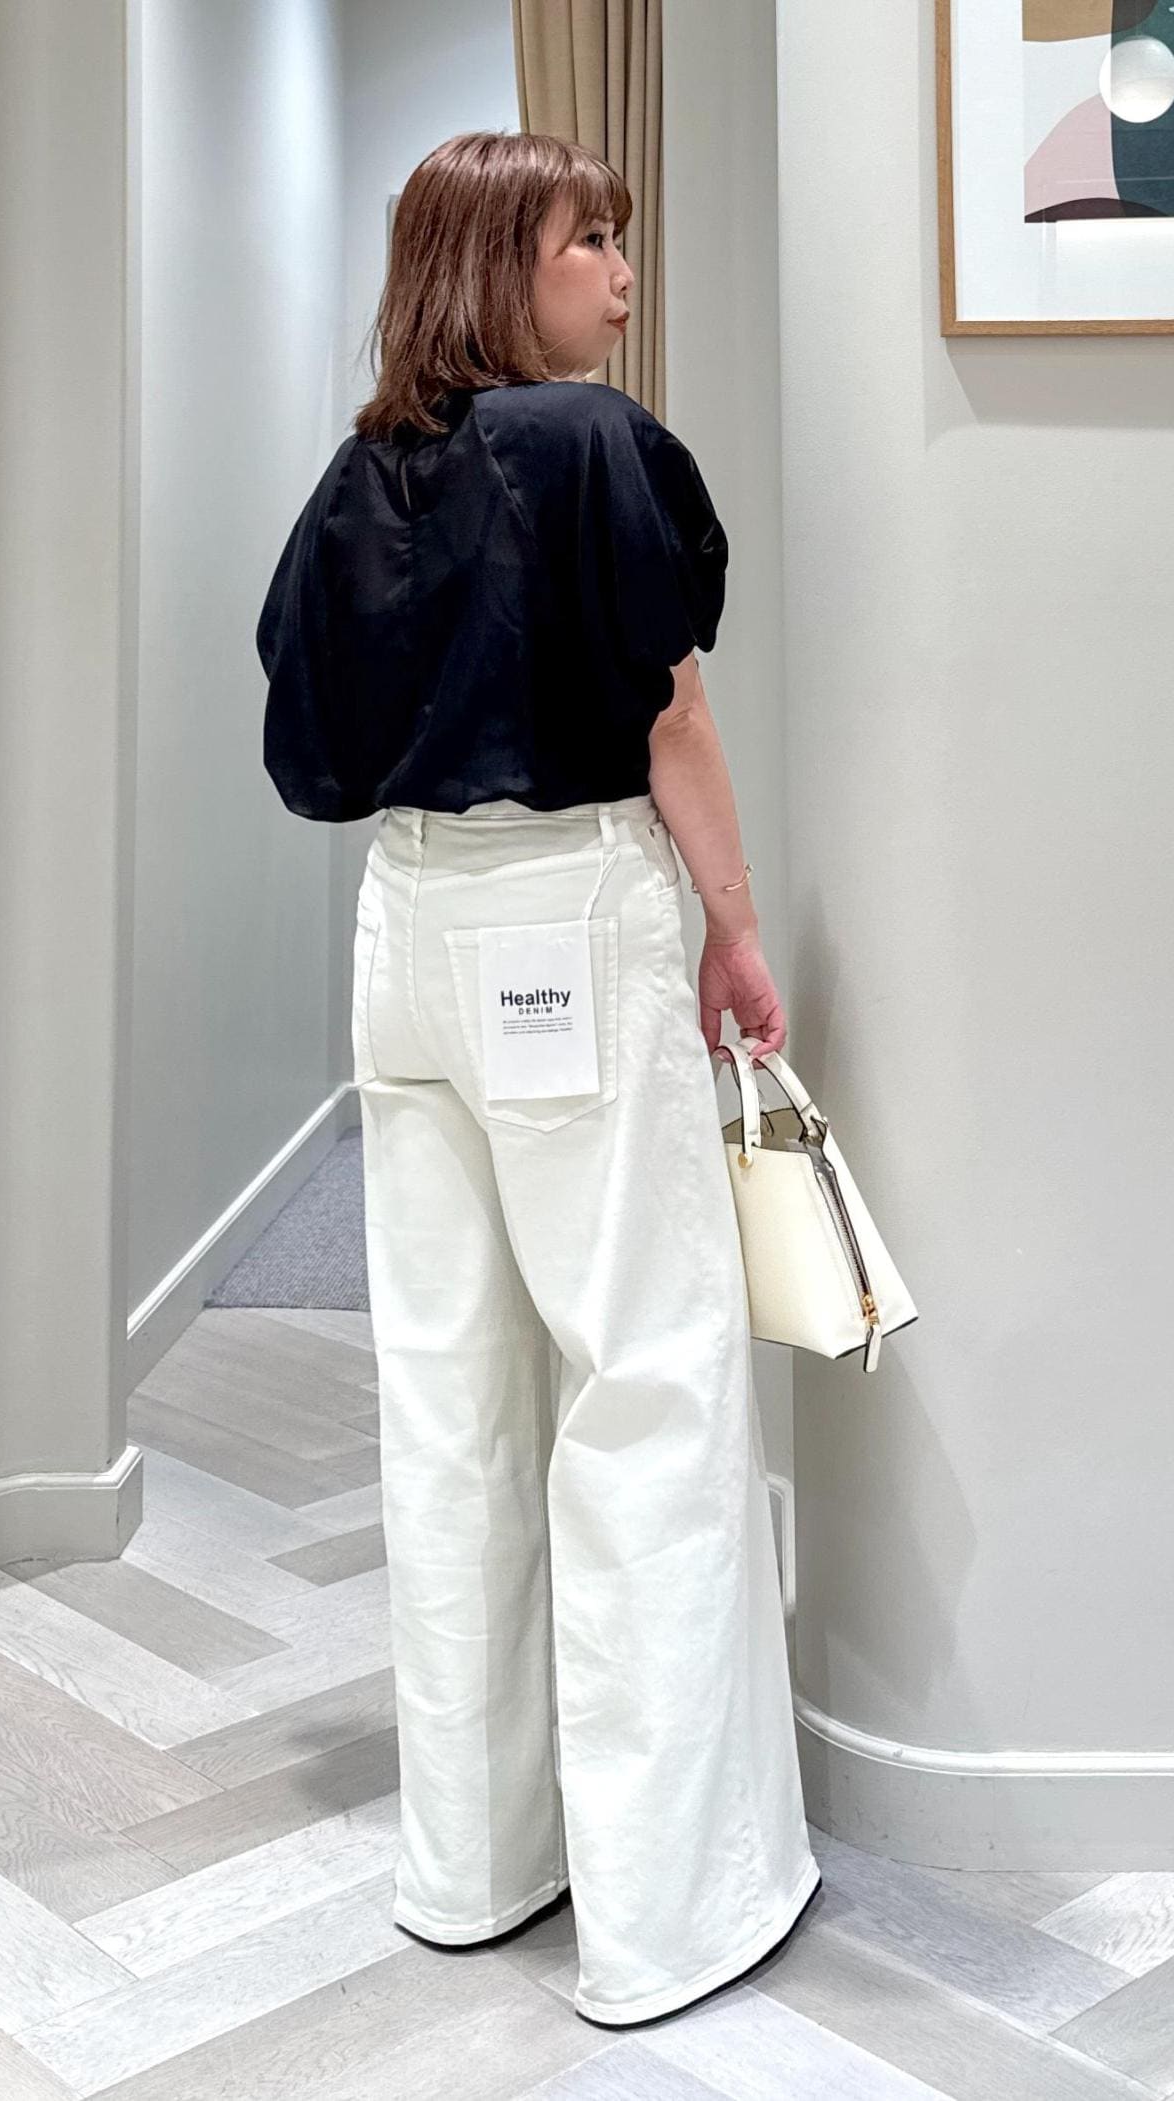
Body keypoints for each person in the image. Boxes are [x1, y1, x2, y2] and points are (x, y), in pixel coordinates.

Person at [254, 128, 821, 2029]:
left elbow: (302, 722)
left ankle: (474, 1860)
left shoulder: (363, 474)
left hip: (404, 931)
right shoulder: (589, 444)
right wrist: (736, 932)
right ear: (503, 264)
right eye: (590, 238)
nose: (621, 271)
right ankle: (672, 1908)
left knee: (452, 1398)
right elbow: (675, 719)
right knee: (648, 1379)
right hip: (570, 915)